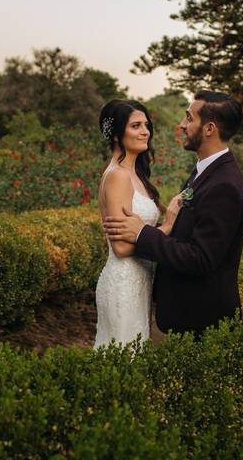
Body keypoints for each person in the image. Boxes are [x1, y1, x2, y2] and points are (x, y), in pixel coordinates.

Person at [103, 91, 243, 339]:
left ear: (209, 128)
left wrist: (142, 233)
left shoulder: (224, 185)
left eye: (189, 118)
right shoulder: (204, 172)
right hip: (179, 311)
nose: (182, 125)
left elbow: (201, 258)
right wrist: (164, 226)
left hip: (204, 319)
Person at [94, 99, 181, 347]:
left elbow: (139, 234)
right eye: (135, 125)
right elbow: (121, 248)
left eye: (146, 124)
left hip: (140, 280)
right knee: (122, 361)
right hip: (123, 284)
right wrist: (167, 225)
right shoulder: (118, 176)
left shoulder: (135, 174)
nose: (146, 131)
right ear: (116, 135)